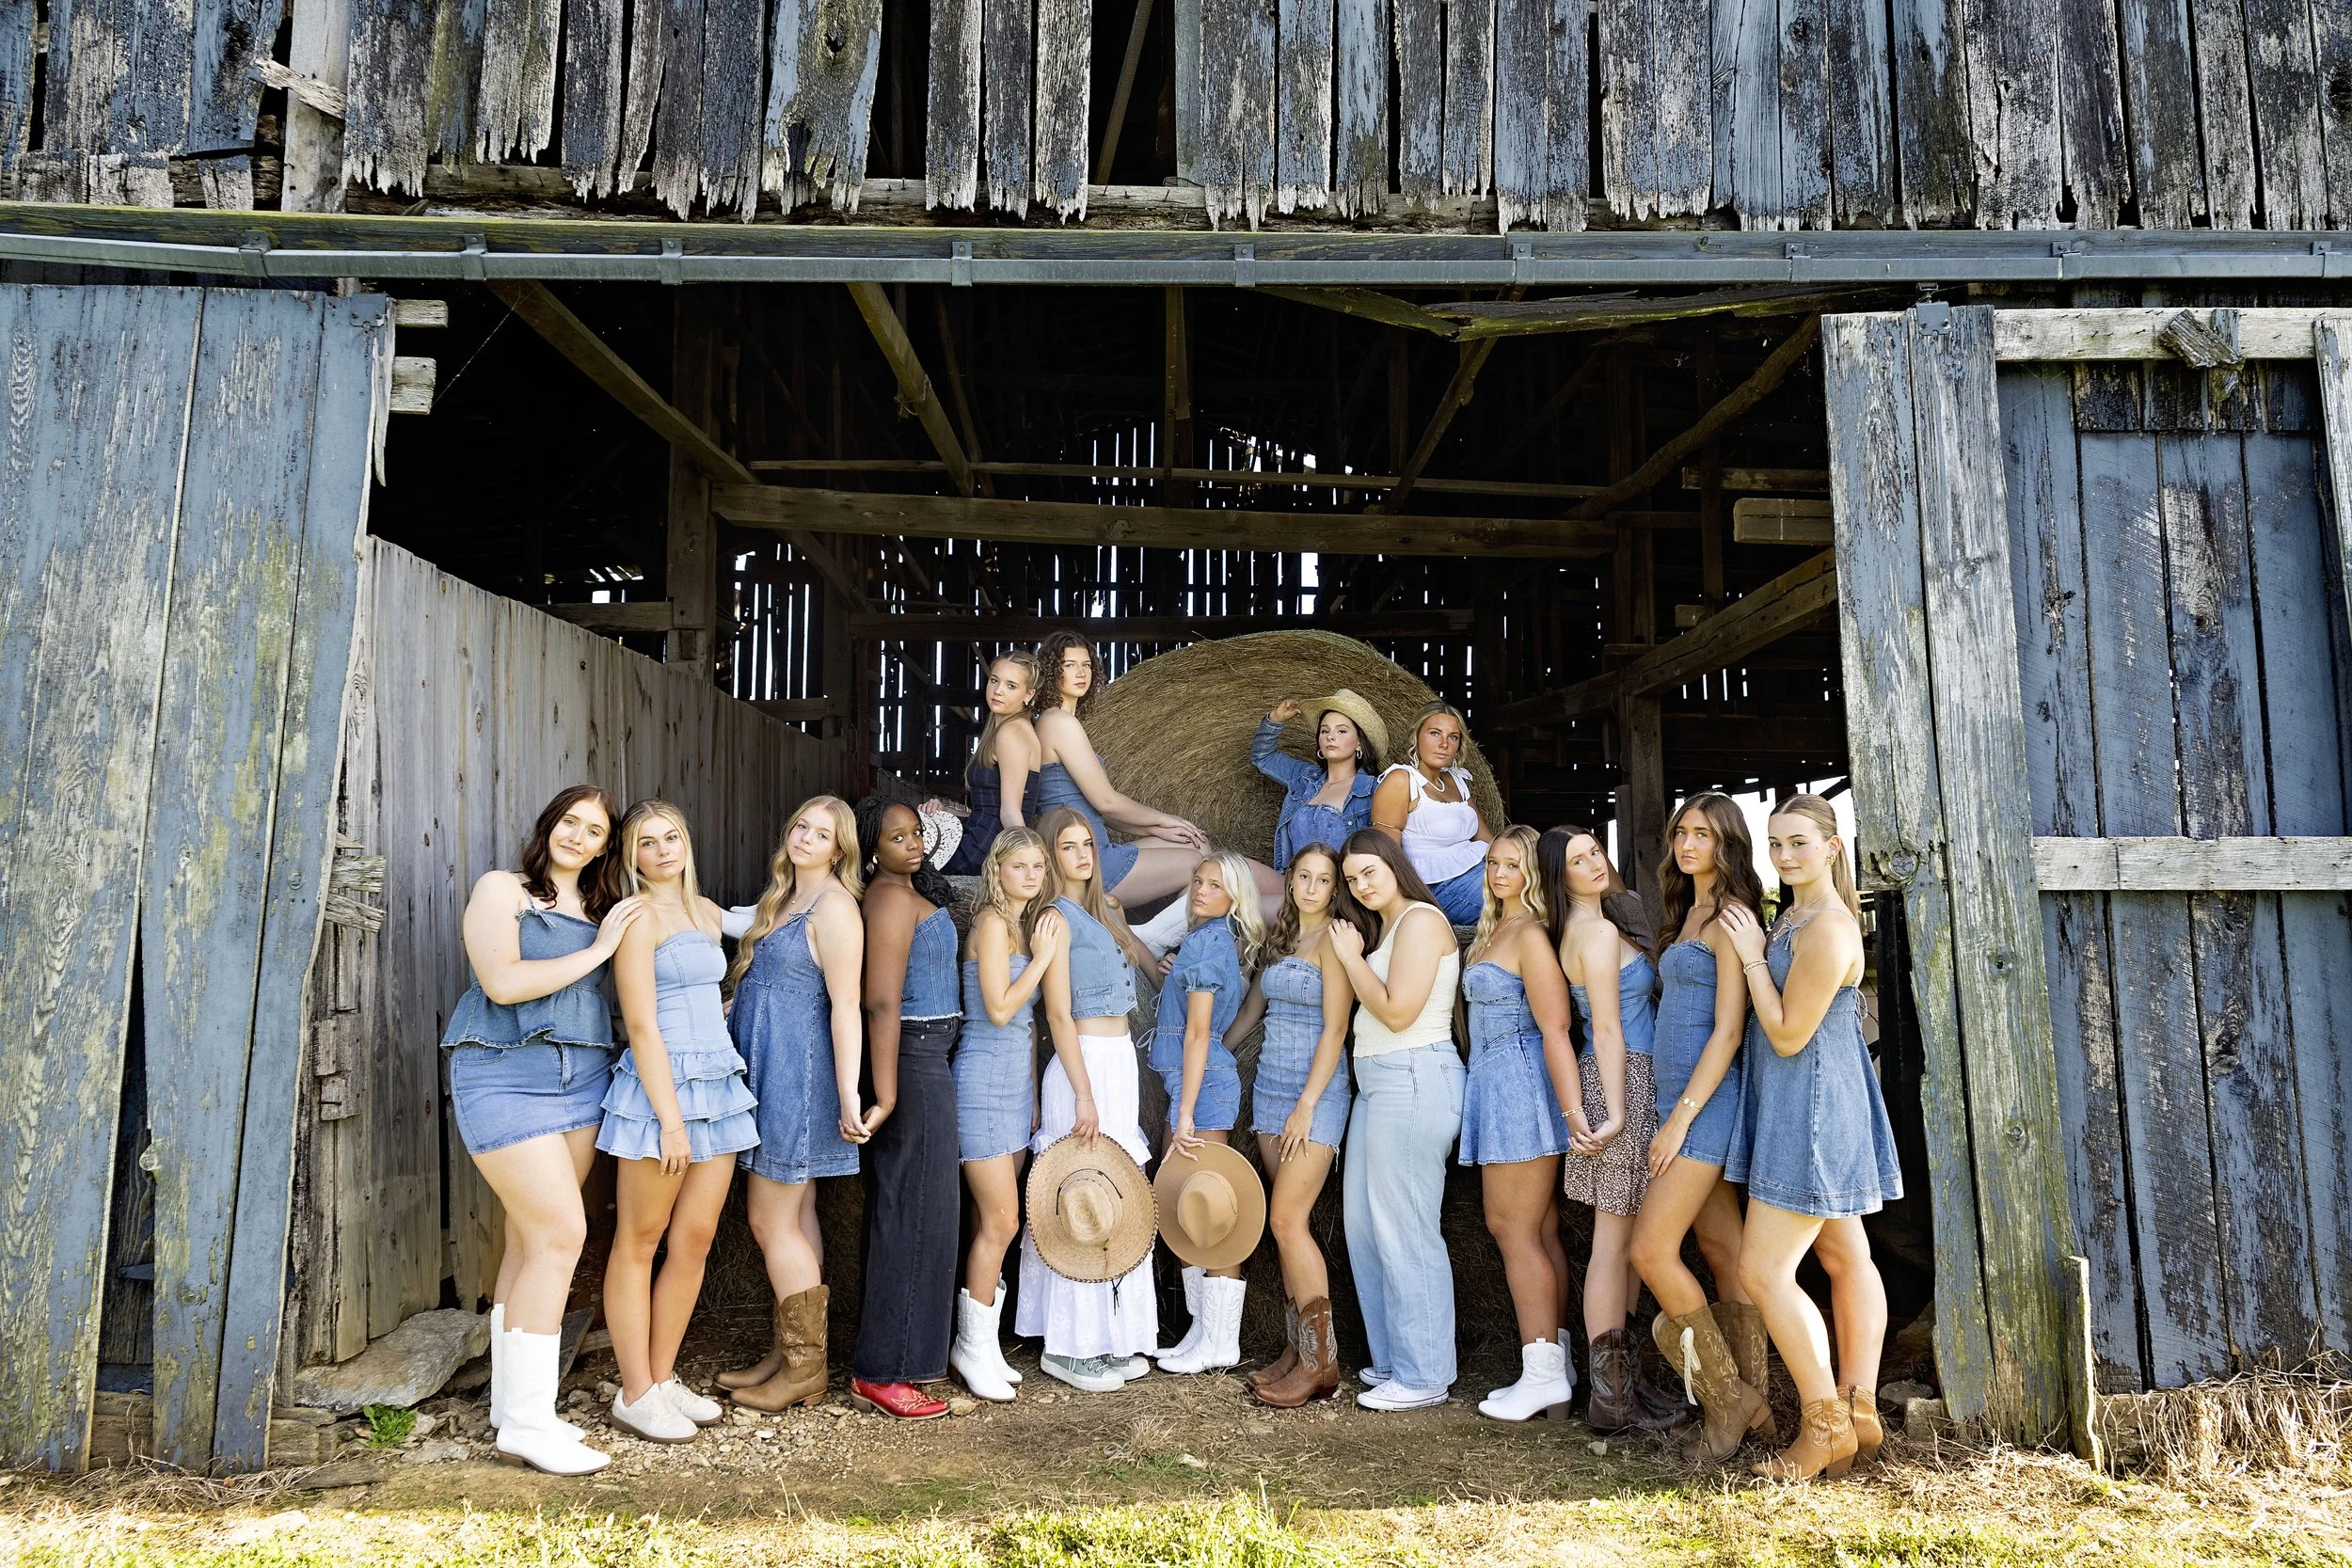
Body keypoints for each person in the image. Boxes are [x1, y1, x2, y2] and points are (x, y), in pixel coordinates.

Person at [442, 785, 640, 1475]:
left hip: (581, 1081)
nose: (579, 836)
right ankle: (530, 1420)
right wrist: (601, 948)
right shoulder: (504, 890)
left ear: (604, 847)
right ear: (549, 822)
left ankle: (509, 1405)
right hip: (501, 1074)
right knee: (562, 1234)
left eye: (595, 830)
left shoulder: (600, 908)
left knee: (532, 1237)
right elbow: (501, 981)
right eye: (571, 821)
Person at [1722, 795, 1901, 1482]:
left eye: (1799, 842)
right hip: (1810, 1102)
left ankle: (1823, 1423)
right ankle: (1859, 1412)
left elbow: (1789, 1033)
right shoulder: (1795, 915)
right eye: (1775, 844)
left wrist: (1748, 959)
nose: (1785, 855)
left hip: (1816, 1110)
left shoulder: (1827, 928)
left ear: (1832, 847)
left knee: (1761, 1271)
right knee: (1845, 1253)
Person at [597, 800, 759, 1443]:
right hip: (660, 1093)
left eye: (672, 837)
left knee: (694, 1239)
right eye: (647, 842)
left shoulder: (706, 909)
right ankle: (633, 1390)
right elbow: (640, 1023)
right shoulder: (635, 917)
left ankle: (661, 1379)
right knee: (640, 1241)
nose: (663, 850)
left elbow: (770, 918)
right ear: (632, 855)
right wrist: (668, 1120)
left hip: (716, 1086)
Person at [1628, 792, 1773, 1461]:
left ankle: (1727, 1400)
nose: (1688, 845)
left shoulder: (1730, 917)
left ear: (1727, 845)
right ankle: (1757, 1405)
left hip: (1702, 1104)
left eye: (1703, 835)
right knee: (1723, 1253)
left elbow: (1729, 1029)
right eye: (1681, 831)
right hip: (1675, 1099)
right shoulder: (1688, 912)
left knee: (1650, 1252)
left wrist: (1680, 1119)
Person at [721, 796, 870, 1412]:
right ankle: (791, 1352)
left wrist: (848, 1092)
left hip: (797, 1077)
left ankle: (806, 1370)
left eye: (822, 833)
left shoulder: (836, 908)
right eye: (801, 825)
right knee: (798, 1210)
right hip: (768, 1068)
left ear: (840, 849)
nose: (807, 837)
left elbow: (846, 1006)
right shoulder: (783, 898)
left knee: (769, 1218)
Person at [1014, 806, 1160, 1391]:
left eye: (1087, 846)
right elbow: (1055, 1013)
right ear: (1050, 856)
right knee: (1079, 1191)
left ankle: (1112, 1338)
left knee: (1116, 1195)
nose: (1081, 855)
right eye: (1068, 847)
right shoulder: (1055, 917)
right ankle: (1068, 1346)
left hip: (1116, 1062)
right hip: (1084, 1068)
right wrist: (1082, 1093)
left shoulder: (1098, 913)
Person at [1327, 830, 1465, 1412]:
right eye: (1352, 879)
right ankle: (1393, 1359)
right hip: (1380, 1083)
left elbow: (1398, 1011)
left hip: (1413, 1076)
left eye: (1369, 872)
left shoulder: (1422, 921)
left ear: (1393, 864)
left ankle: (1426, 1372)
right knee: (1364, 1225)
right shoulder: (1388, 928)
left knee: (1405, 1226)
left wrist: (1352, 960)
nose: (1361, 885)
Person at [1546, 825, 1677, 1435]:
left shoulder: (1601, 921)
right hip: (1622, 1078)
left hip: (1629, 1075)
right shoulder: (1594, 932)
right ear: (1559, 874)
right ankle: (1610, 1397)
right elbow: (1605, 1029)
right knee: (1610, 1240)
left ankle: (1625, 1386)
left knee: (1622, 1241)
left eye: (1595, 850)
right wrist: (1620, 1110)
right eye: (1577, 860)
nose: (1593, 863)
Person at [847, 797, 967, 1419]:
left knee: (924, 1208)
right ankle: (884, 1370)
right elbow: (880, 1002)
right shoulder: (890, 899)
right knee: (915, 1212)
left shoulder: (906, 887)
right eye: (897, 836)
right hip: (913, 1059)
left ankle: (895, 1362)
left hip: (928, 1055)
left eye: (916, 832)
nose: (913, 843)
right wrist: (888, 1092)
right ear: (873, 847)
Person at [1459, 826, 1584, 1422]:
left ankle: (1542, 1377)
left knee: (1510, 1228)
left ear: (1533, 873)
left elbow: (1555, 1027)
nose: (1498, 873)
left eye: (1512, 864)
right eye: (1492, 862)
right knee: (1539, 1230)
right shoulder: (1496, 929)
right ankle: (1556, 1364)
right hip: (1495, 1081)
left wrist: (1572, 1111)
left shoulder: (1531, 935)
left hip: (1518, 1084)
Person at [1030, 630, 1279, 905]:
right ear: (1054, 671)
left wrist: (1156, 831)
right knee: (1200, 865)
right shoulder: (1059, 723)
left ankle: (1187, 934)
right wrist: (1165, 820)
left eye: (1086, 665)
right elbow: (1106, 802)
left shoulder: (1060, 721)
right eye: (1069, 665)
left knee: (1194, 844)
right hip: (1089, 859)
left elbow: (1095, 810)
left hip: (1096, 847)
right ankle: (1155, 936)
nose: (1081, 673)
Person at [1244, 844, 1362, 1408]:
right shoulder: (1281, 937)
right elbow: (1251, 1012)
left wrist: (1307, 1105)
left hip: (1313, 1095)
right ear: (1290, 881)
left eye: (1324, 879)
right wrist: (1212, 1056)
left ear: (1335, 886)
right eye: (1304, 877)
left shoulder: (1335, 941)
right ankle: (1297, 1351)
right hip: (1268, 1087)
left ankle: (1322, 1363)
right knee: (1288, 1227)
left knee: (1287, 1221)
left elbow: (1336, 1030)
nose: (1312, 887)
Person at [949, 829, 1065, 1402]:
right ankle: (971, 1349)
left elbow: (1028, 1026)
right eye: (1019, 865)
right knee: (1002, 1223)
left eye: (1038, 867)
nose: (1031, 875)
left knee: (988, 1223)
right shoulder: (994, 924)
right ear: (997, 868)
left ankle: (983, 1345)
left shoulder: (1022, 924)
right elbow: (998, 1009)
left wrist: (1035, 1094)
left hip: (1014, 1085)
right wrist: (1043, 958)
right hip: (982, 1082)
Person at [1151, 851, 1266, 1376]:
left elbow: (1199, 1035)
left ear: (1234, 897)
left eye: (1215, 885)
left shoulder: (1204, 943)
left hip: (1201, 1088)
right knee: (1189, 1203)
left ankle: (1222, 1340)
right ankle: (1204, 1332)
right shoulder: (1214, 944)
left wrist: (1186, 1112)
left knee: (1210, 1204)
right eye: (1197, 881)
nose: (1200, 890)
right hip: (1200, 1080)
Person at [1372, 702, 1493, 926]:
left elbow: (1488, 840)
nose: (1444, 744)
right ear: (1417, 737)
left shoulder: (1457, 781)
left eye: (1453, 737)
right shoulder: (1402, 780)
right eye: (1435, 733)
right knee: (1524, 898)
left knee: (1537, 877)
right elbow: (1387, 855)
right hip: (1437, 886)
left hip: (1478, 869)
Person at [1252, 692, 1386, 874]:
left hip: (1343, 893)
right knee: (1230, 869)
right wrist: (1275, 719)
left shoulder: (1374, 790)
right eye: (1325, 731)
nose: (1330, 737)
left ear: (1359, 744)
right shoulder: (1304, 777)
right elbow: (1263, 757)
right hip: (1295, 886)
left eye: (1341, 731)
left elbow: (1383, 853)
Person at [944, 651, 1043, 875]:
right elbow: (988, 811)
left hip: (982, 851)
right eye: (994, 680)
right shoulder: (1002, 730)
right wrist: (946, 811)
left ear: (1028, 695)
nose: (998, 691)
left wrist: (1029, 865)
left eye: (1011, 686)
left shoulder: (1012, 732)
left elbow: (1010, 812)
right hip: (980, 839)